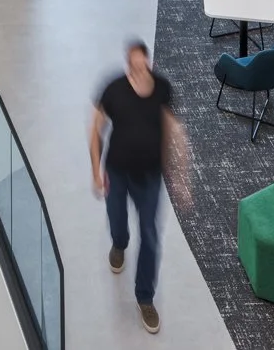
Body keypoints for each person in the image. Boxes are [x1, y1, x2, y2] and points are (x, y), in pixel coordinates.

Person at [90, 40, 190, 336]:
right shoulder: (114, 89)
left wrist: (181, 174)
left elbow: (173, 129)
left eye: (142, 64)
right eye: (133, 66)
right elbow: (95, 129)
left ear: (148, 62)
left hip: (149, 177)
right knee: (118, 221)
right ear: (127, 66)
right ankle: (119, 243)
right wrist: (96, 170)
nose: (138, 70)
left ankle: (145, 297)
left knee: (150, 235)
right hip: (117, 172)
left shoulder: (162, 88)